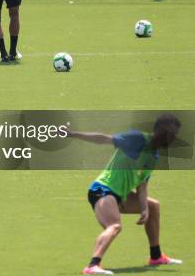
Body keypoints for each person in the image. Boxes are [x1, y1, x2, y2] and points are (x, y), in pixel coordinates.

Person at [69, 114, 183, 275]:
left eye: (175, 135)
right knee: (114, 225)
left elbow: (142, 187)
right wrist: (73, 134)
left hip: (121, 195)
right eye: (170, 134)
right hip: (103, 190)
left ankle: (156, 256)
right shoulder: (136, 139)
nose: (172, 139)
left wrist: (144, 209)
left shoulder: (153, 156)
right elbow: (103, 139)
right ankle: (92, 266)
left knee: (153, 206)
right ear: (159, 130)